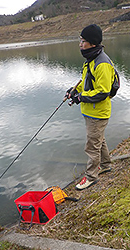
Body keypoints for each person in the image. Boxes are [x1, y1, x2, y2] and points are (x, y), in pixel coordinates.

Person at [66, 24, 114, 190]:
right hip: (91, 111)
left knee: (92, 145)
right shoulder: (91, 60)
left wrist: (81, 97)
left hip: (98, 112)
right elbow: (85, 84)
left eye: (83, 41)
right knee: (99, 140)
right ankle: (106, 165)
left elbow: (103, 92)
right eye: (80, 40)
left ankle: (91, 177)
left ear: (93, 43)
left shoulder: (102, 63)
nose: (80, 44)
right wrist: (73, 91)